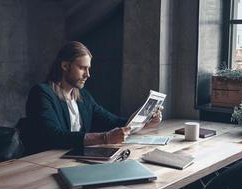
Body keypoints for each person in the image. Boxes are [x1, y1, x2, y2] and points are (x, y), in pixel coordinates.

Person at [18, 41, 162, 154]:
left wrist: (145, 120)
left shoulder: (83, 97)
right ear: (65, 66)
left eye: (88, 69)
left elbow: (112, 121)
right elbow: (53, 136)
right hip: (44, 163)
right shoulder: (42, 93)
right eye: (82, 68)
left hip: (73, 159)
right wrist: (104, 138)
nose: (88, 75)